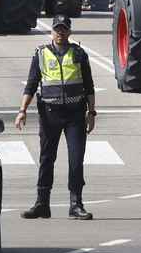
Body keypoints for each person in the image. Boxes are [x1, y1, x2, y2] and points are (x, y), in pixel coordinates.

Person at [15, 14, 97, 221]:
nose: (60, 32)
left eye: (64, 29)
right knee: (46, 159)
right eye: (57, 29)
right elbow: (31, 85)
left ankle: (76, 204)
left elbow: (89, 86)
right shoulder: (41, 54)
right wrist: (22, 110)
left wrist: (92, 113)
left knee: (76, 160)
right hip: (50, 114)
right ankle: (42, 204)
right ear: (51, 31)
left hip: (75, 114)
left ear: (69, 32)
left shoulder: (79, 54)